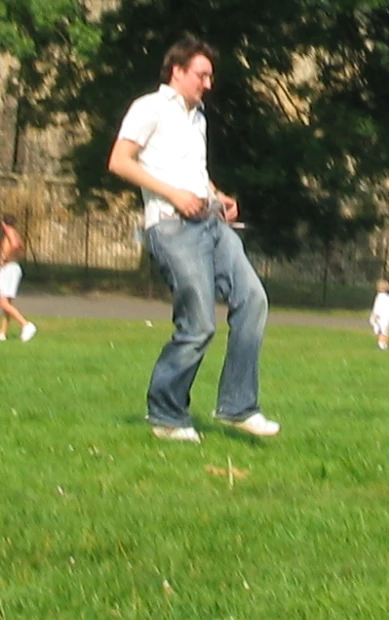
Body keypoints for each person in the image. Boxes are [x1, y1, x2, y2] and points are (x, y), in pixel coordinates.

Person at [109, 37, 277, 443]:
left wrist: (217, 195)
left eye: (210, 76)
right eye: (202, 75)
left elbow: (192, 171)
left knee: (253, 299)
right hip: (171, 226)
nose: (208, 83)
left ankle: (238, 406)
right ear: (177, 71)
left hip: (210, 223)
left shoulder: (197, 116)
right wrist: (172, 194)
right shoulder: (148, 108)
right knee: (199, 324)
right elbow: (119, 161)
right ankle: (166, 415)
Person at [0, 214, 35, 343]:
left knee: (3, 302)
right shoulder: (15, 233)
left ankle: (26, 325)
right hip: (13, 267)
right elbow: (21, 249)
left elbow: (16, 245)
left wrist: (6, 257)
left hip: (9, 268)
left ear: (3, 224)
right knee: (7, 303)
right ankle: (2, 332)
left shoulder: (10, 233)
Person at [370, 279, 389, 351]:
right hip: (387, 317)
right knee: (385, 331)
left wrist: (376, 315)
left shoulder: (380, 297)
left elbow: (377, 307)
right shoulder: (388, 297)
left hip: (380, 317)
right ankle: (385, 344)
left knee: (380, 331)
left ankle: (381, 344)